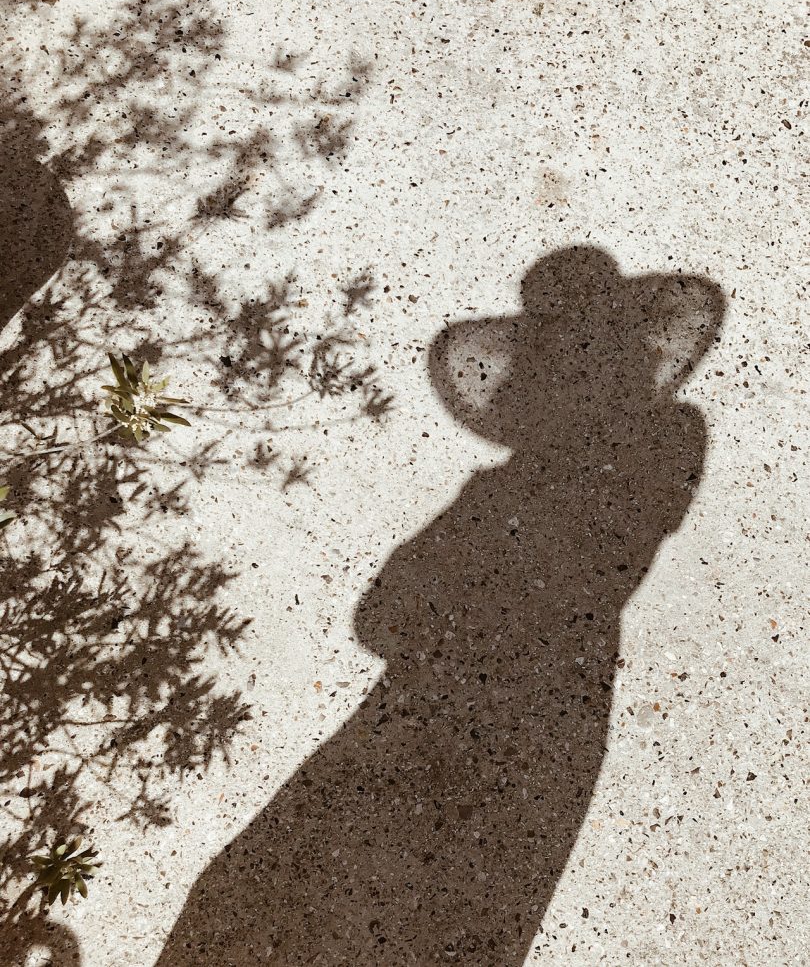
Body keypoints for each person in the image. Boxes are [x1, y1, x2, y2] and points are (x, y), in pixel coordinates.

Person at [156, 246, 724, 965]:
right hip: (433, 715)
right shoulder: (505, 490)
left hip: (512, 725)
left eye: (588, 345)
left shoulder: (660, 443)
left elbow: (413, 603)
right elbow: (380, 613)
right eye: (561, 351)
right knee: (269, 907)